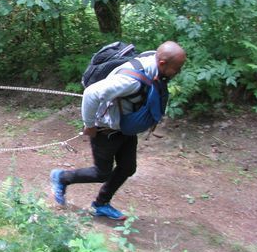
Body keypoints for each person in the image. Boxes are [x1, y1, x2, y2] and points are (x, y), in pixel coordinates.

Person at [50, 41, 187, 220]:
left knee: (128, 167)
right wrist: (89, 125)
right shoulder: (130, 81)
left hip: (124, 128)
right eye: (177, 68)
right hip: (105, 130)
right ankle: (61, 177)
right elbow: (91, 93)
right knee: (101, 173)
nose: (178, 72)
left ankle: (101, 204)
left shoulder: (155, 65)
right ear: (162, 63)